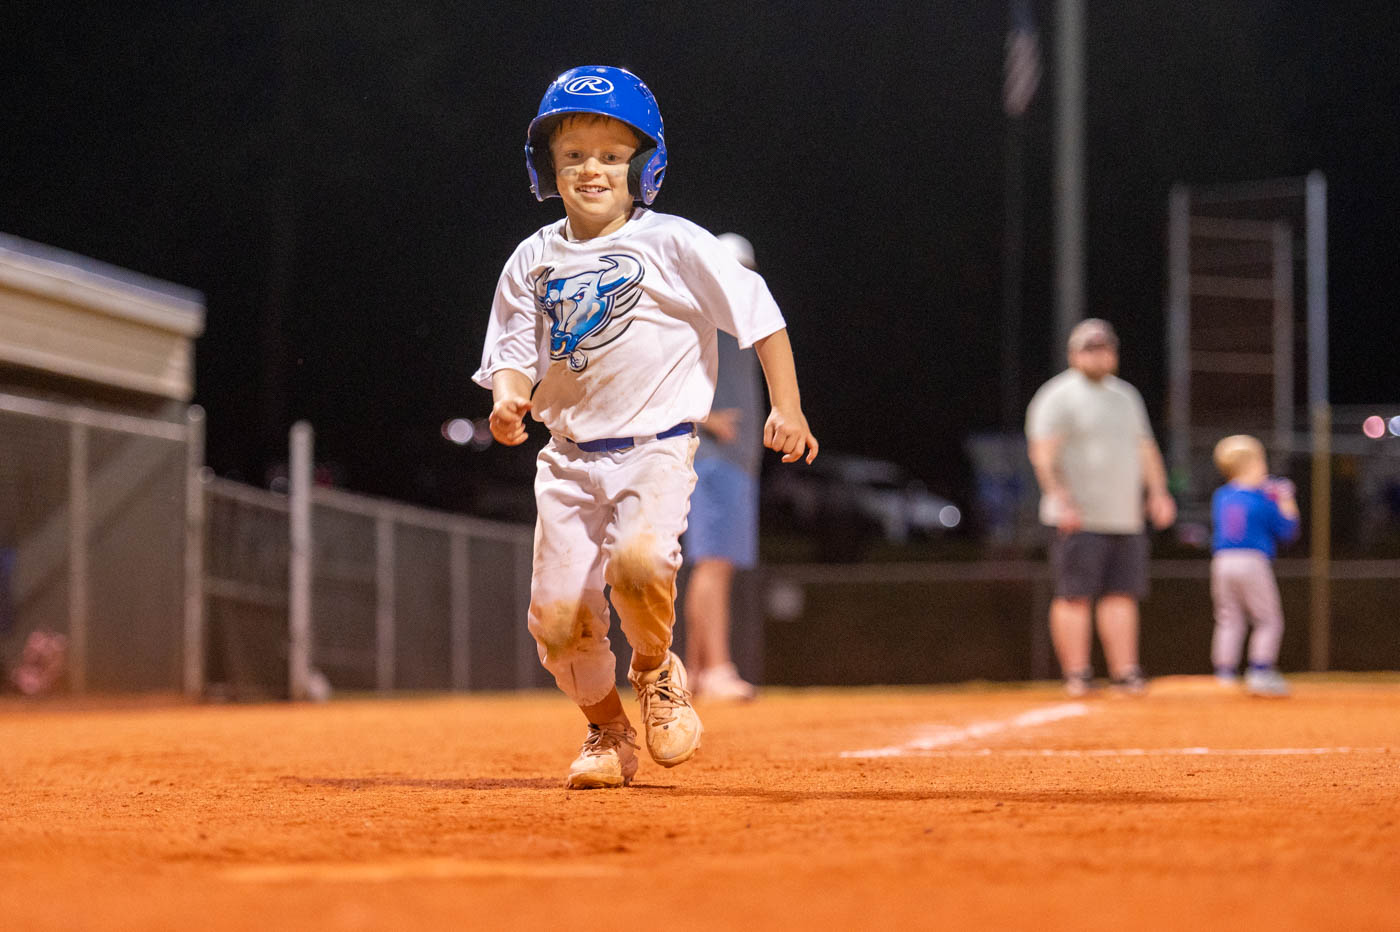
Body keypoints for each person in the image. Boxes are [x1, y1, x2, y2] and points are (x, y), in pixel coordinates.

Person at [474, 66, 818, 789]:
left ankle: (657, 671)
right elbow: (509, 353)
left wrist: (787, 406)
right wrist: (508, 399)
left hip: (654, 450)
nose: (590, 169)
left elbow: (761, 316)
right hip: (566, 460)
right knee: (557, 624)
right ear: (547, 166)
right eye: (573, 154)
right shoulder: (531, 259)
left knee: (638, 567)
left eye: (611, 154)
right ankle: (607, 730)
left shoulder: (674, 243)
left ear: (644, 166)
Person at [1025, 318, 1176, 697]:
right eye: (1090, 348)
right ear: (1073, 354)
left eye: (1105, 347)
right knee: (1074, 595)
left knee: (1122, 594)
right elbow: (1043, 453)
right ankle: (1078, 674)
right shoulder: (1057, 395)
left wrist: (1158, 492)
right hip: (1079, 516)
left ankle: (1125, 673)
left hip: (1124, 516)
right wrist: (1060, 498)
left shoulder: (1126, 396)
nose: (1099, 354)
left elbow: (1145, 447)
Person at [681, 232, 764, 702]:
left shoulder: (741, 322)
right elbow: (662, 375)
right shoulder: (704, 318)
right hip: (716, 460)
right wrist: (707, 418)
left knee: (717, 565)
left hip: (735, 463)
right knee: (713, 565)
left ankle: (697, 672)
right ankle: (715, 668)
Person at [1209, 435, 1300, 697]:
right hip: (1252, 561)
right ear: (1254, 464)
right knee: (1268, 620)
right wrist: (1285, 499)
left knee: (1229, 618)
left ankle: (1224, 674)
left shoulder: (1221, 496)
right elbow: (1288, 530)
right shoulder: (1262, 499)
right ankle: (1261, 672)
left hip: (1222, 561)